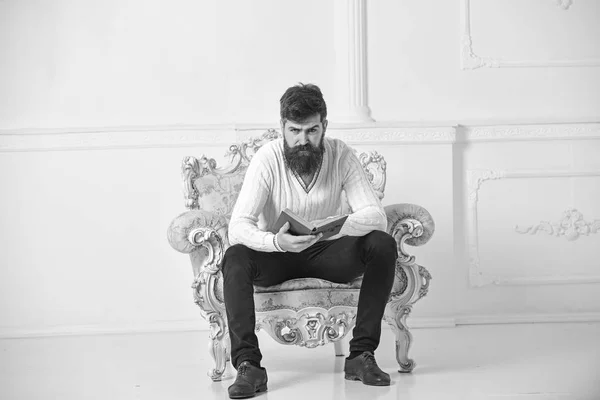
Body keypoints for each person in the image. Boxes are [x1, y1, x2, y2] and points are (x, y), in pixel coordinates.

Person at [222, 83, 397, 399]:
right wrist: (276, 242)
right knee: (235, 256)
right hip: (278, 255)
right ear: (282, 128)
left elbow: (376, 216)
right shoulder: (268, 158)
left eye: (312, 130)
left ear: (324, 126)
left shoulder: (340, 154)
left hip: (328, 252)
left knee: (382, 244)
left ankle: (360, 356)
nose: (303, 140)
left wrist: (336, 226)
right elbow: (238, 227)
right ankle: (249, 366)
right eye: (295, 130)